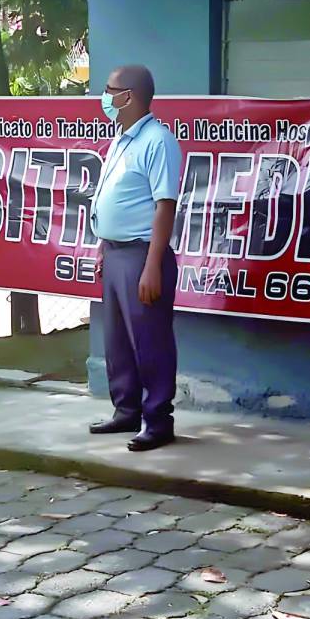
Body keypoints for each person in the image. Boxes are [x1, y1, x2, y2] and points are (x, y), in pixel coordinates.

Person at [89, 65, 182, 452]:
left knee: (150, 341)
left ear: (129, 96)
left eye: (111, 90)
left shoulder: (158, 141)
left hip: (143, 255)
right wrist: (102, 247)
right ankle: (125, 410)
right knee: (118, 342)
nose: (105, 96)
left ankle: (158, 420)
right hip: (115, 253)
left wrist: (151, 266)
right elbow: (114, 200)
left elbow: (165, 206)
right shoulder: (122, 140)